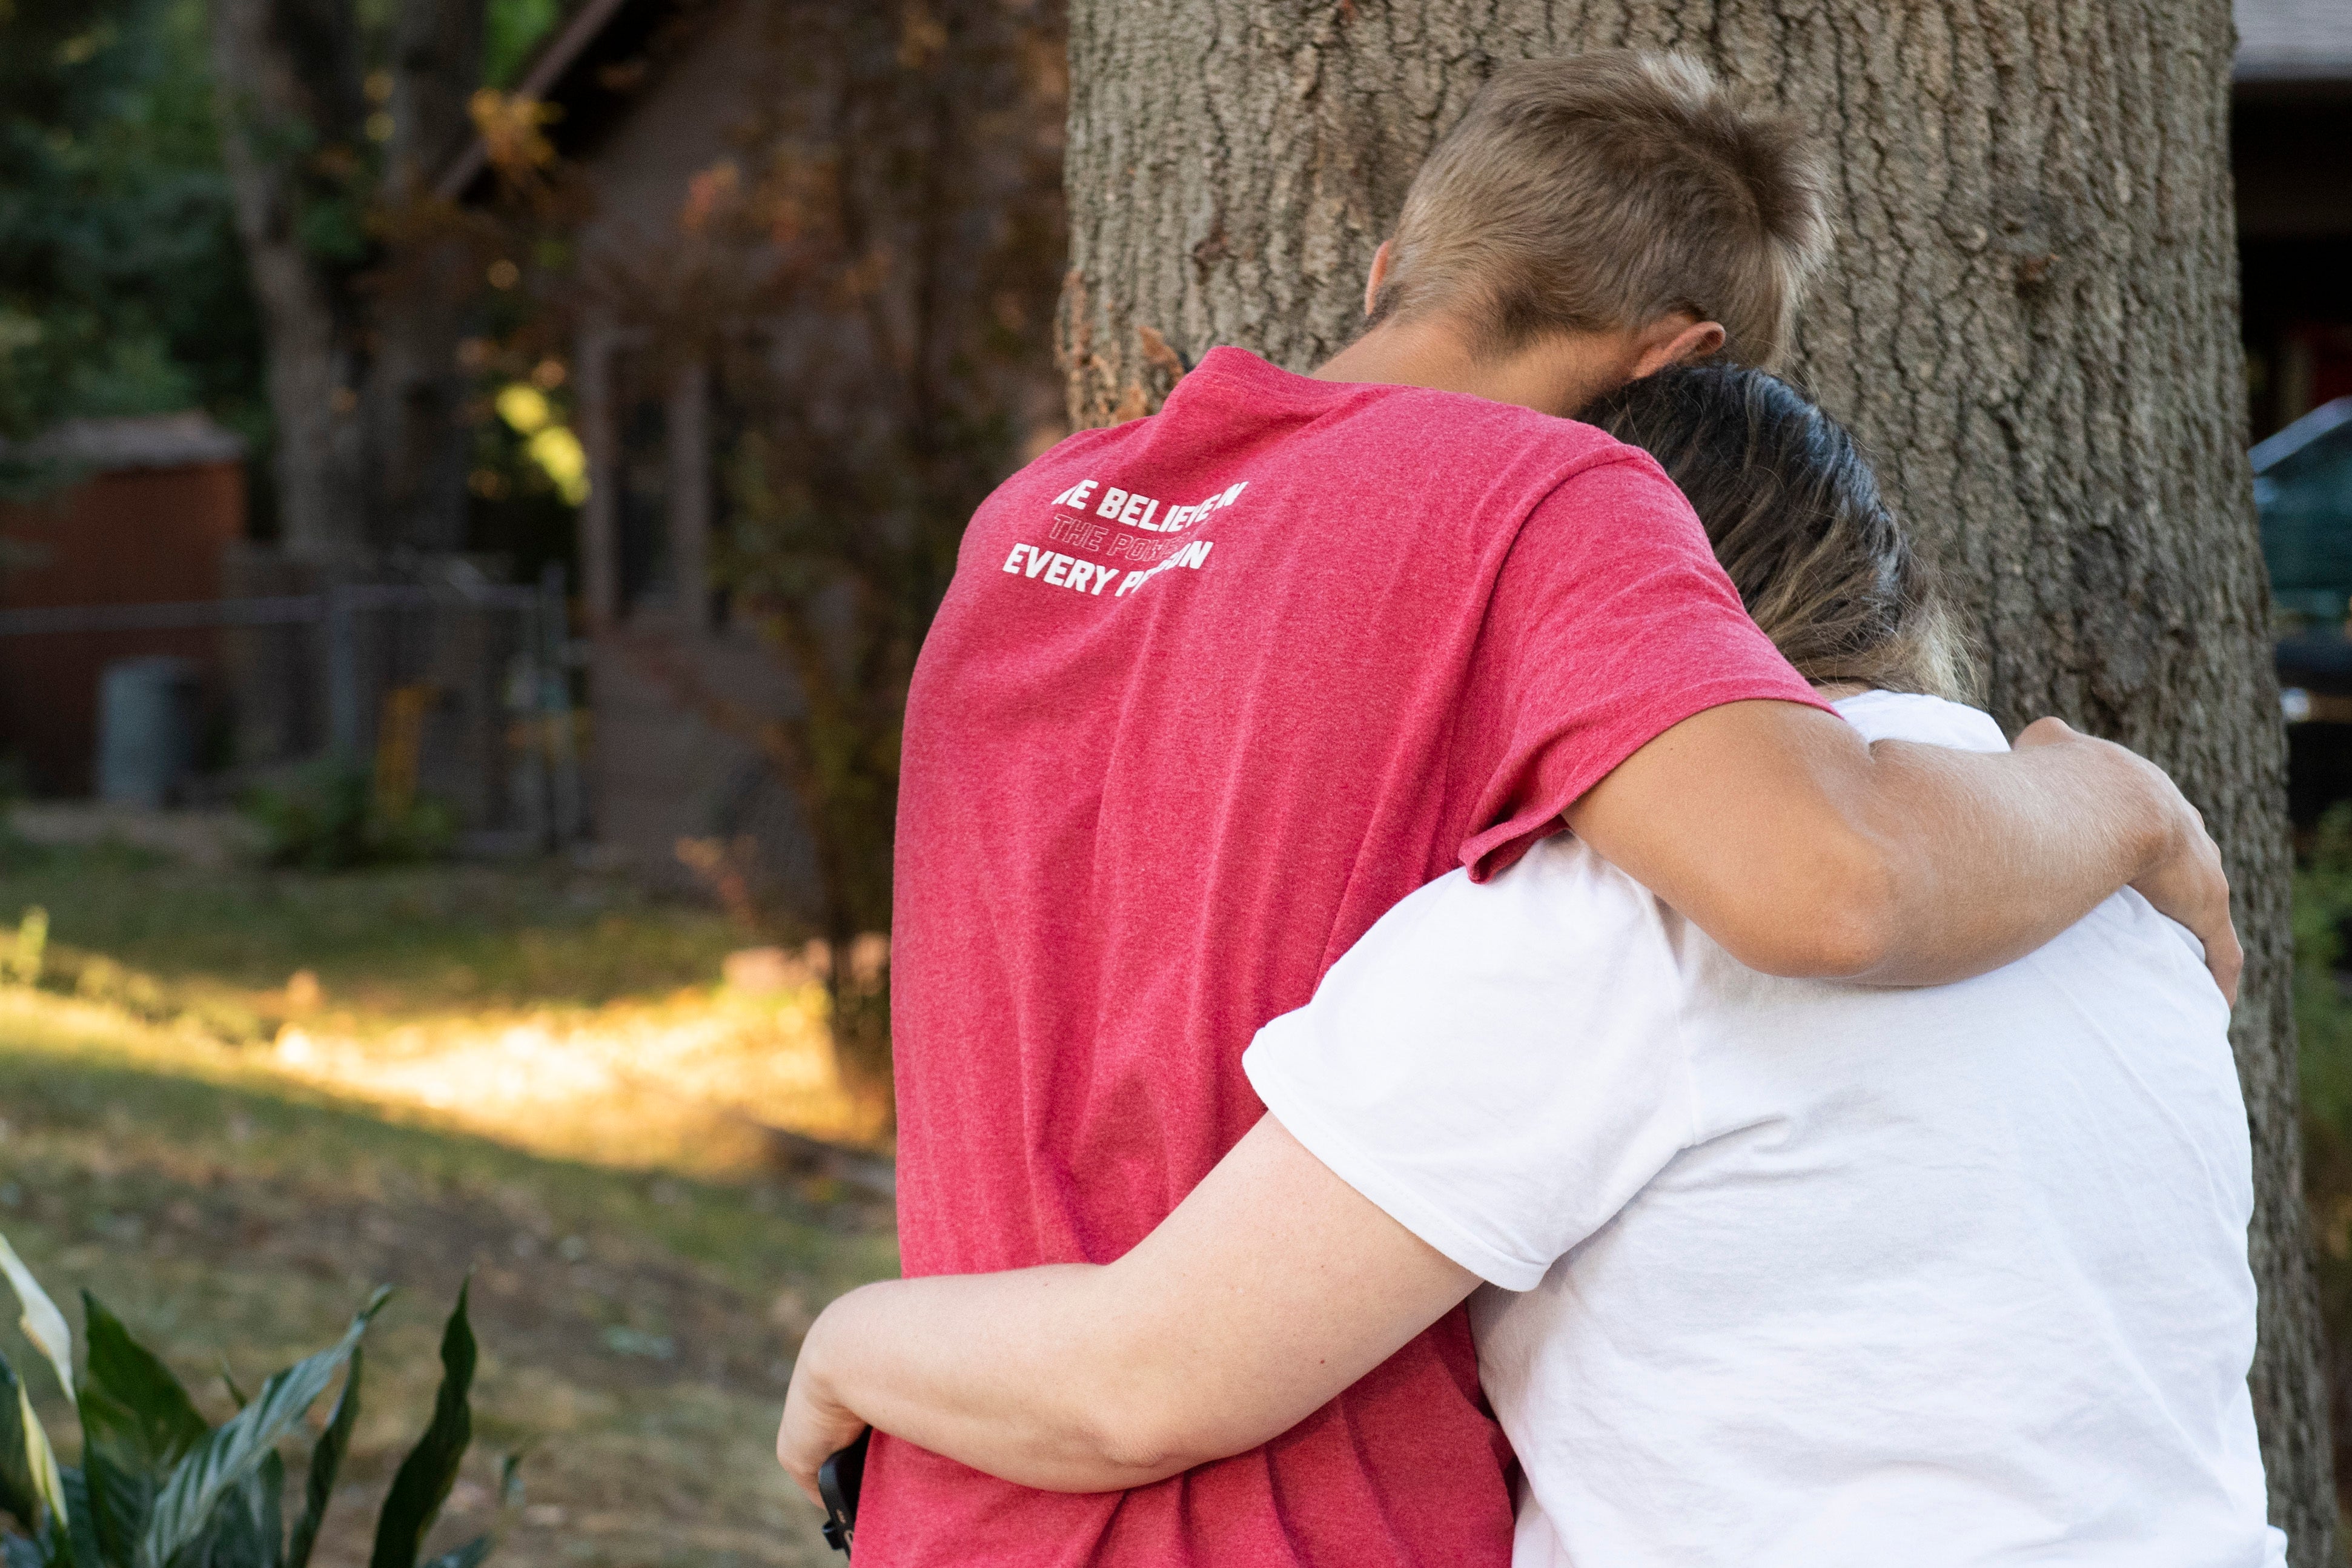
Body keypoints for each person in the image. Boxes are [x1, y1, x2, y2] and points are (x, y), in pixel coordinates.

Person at [863, 50, 2238, 1568]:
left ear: (1394, 268)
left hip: (969, 1458)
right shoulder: (1545, 492)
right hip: (1297, 1505)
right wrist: (2121, 801)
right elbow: (1831, 884)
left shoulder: (1037, 517)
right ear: (1682, 371)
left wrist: (860, 1347)